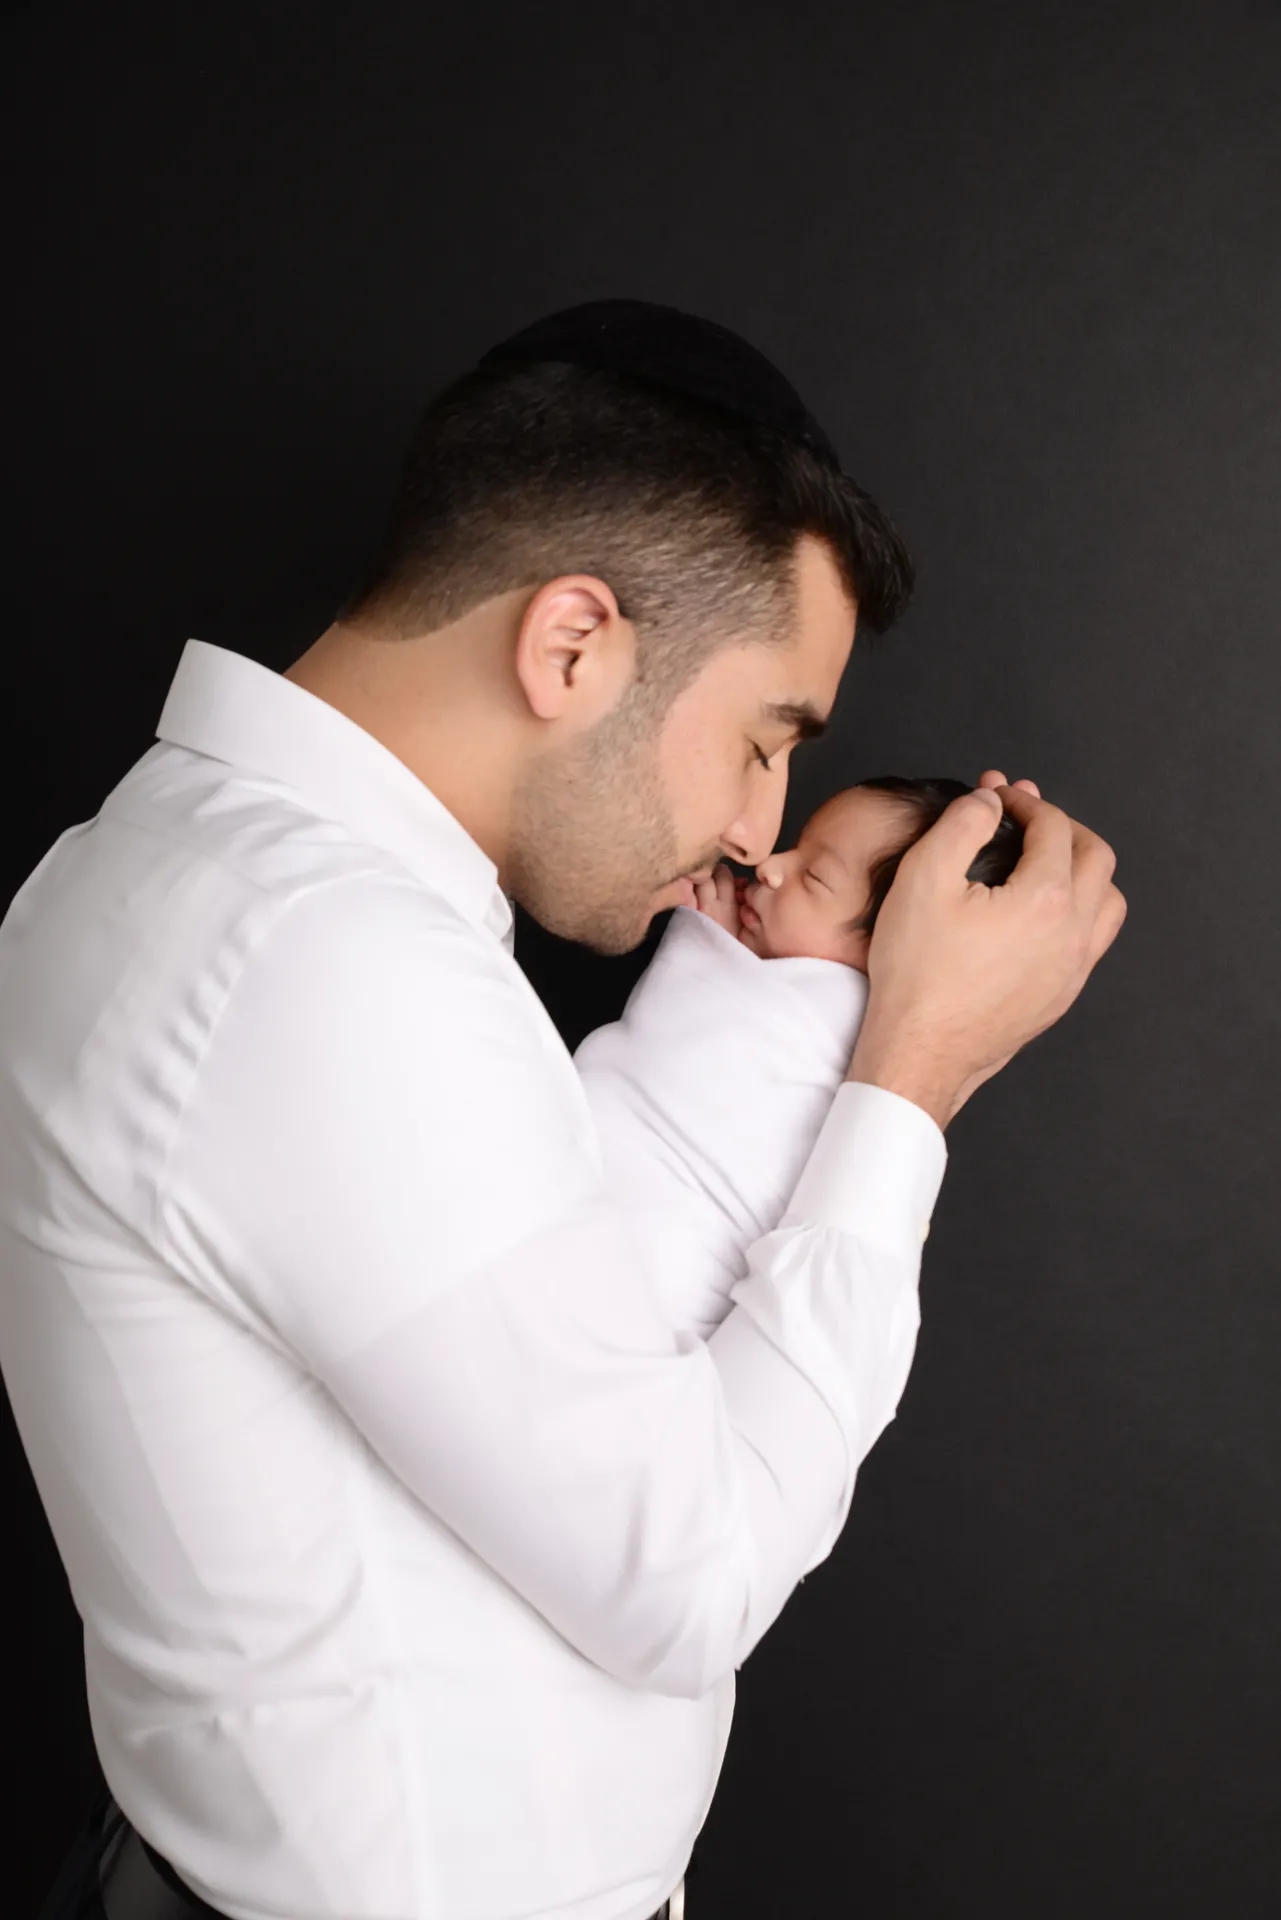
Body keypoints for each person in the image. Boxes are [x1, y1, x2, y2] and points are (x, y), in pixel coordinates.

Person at [4, 299, 1124, 1920]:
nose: (755, 831)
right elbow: (684, 1577)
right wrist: (913, 1076)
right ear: (574, 645)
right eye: (762, 741)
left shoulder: (198, 879)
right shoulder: (322, 959)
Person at [572, 775, 1025, 1347]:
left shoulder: (855, 1031)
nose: (769, 865)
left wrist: (705, 952)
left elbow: (685, 1048)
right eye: (797, 847)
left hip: (656, 1282)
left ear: (891, 947)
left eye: (814, 877)